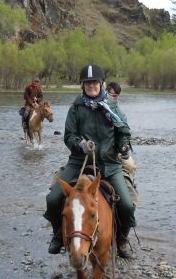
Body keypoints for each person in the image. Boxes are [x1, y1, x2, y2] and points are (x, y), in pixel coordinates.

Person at [44, 64, 136, 258]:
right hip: (79, 162)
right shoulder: (76, 108)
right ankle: (58, 236)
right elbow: (69, 136)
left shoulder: (112, 106)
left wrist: (123, 145)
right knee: (53, 199)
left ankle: (122, 239)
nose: (91, 86)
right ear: (82, 85)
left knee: (127, 204)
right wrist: (81, 145)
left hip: (109, 164)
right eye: (87, 83)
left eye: (94, 82)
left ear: (101, 84)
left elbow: (123, 131)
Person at [107, 81, 139, 207]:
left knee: (130, 166)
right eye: (112, 95)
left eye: (116, 95)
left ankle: (131, 184)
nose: (115, 98)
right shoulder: (99, 107)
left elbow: (124, 131)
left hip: (116, 151)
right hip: (93, 151)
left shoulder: (119, 112)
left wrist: (124, 145)